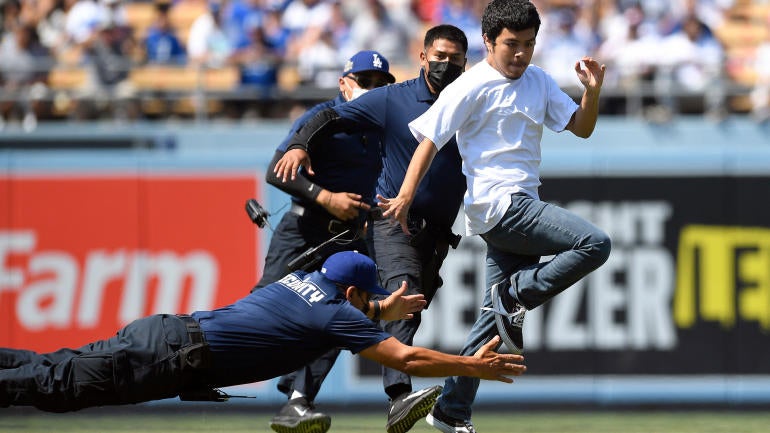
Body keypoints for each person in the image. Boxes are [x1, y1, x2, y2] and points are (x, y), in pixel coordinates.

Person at [378, 1, 612, 432]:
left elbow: (581, 127)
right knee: (595, 243)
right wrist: (405, 194)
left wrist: (592, 92)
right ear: (487, 42)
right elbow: (429, 140)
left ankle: (451, 410)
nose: (520, 53)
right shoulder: (470, 86)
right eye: (510, 44)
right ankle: (518, 293)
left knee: (491, 328)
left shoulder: (538, 80)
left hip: (514, 209)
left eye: (528, 44)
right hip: (499, 206)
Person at [0, 251, 527, 414]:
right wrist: (473, 366)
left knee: (52, 365)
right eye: (369, 301)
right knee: (57, 387)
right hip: (172, 358)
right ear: (353, 297)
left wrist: (382, 305)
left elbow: (332, 311)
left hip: (165, 333)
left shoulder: (298, 281)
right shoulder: (338, 314)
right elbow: (406, 359)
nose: (369, 309)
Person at [274, 24, 469, 433]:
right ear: (422, 57)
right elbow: (328, 115)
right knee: (404, 294)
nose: (445, 65)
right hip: (385, 222)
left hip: (428, 235)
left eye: (454, 58)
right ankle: (399, 396)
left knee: (359, 313)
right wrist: (298, 144)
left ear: (466, 62)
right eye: (439, 56)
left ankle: (297, 399)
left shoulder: (472, 100)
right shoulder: (390, 101)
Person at [257, 49, 395, 432]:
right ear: (344, 83)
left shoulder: (381, 127)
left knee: (342, 315)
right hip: (304, 229)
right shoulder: (324, 119)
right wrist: (325, 197)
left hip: (347, 239)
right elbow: (276, 171)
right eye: (365, 82)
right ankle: (206, 369)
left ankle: (298, 401)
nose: (372, 90)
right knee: (266, 308)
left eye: (381, 84)